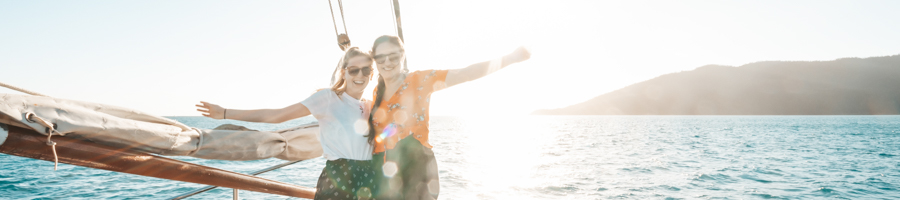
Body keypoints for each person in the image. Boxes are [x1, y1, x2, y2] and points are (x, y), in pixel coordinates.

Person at [196, 47, 379, 200]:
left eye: (366, 70)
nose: (360, 75)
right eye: (354, 69)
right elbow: (277, 115)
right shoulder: (328, 99)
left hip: (369, 180)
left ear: (372, 74)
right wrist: (226, 113)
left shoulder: (373, 106)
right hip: (339, 179)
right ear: (344, 72)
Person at [366, 35, 531, 199]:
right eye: (380, 59)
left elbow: (466, 73)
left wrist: (510, 58)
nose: (387, 63)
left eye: (393, 57)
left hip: (416, 169)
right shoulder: (376, 93)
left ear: (402, 55)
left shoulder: (420, 80)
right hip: (384, 173)